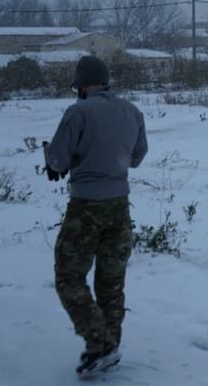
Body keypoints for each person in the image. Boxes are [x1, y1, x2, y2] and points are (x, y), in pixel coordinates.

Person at [43, 55, 148, 377]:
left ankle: (98, 342)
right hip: (120, 205)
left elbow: (59, 160)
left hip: (86, 207)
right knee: (110, 283)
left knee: (69, 277)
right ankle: (109, 348)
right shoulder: (132, 111)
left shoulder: (78, 112)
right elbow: (137, 157)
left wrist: (54, 157)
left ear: (80, 84)